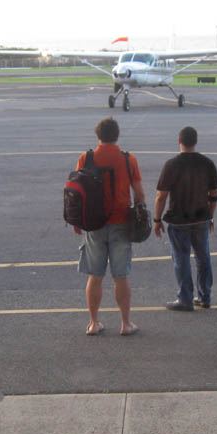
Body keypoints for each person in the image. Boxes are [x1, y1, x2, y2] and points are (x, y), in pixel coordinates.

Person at [74, 117, 145, 336]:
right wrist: (141, 212)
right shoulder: (128, 159)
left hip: (94, 225)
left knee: (95, 276)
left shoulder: (86, 158)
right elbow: (139, 193)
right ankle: (125, 323)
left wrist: (78, 221)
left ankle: (94, 323)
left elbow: (76, 191)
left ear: (98, 137)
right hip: (121, 222)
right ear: (117, 135)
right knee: (120, 276)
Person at [153, 126, 217, 310]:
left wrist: (157, 220)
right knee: (203, 256)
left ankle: (185, 298)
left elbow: (161, 196)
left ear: (179, 141)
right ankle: (205, 296)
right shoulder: (207, 163)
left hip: (179, 219)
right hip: (201, 218)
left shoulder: (171, 165)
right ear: (195, 141)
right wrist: (210, 216)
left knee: (181, 258)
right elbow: (213, 194)